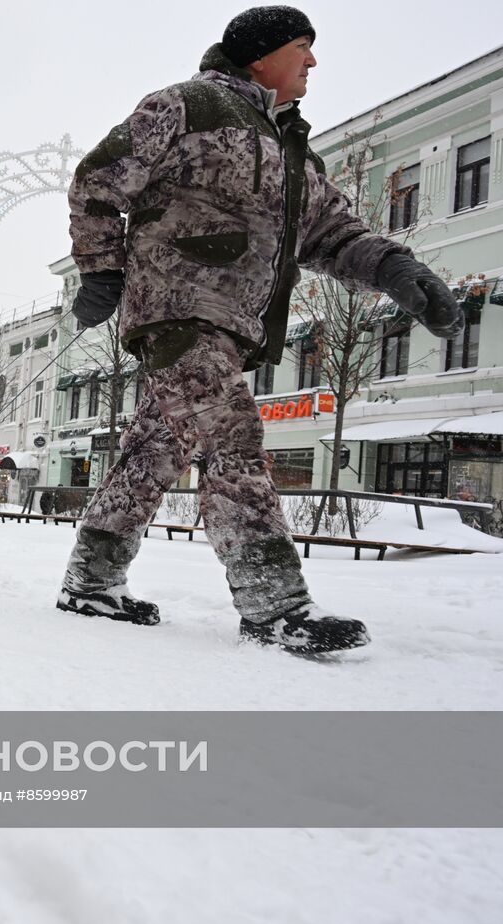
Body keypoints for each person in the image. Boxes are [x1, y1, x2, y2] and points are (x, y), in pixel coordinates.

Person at [56, 6, 463, 654]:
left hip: (232, 323)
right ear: (262, 54)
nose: (312, 61)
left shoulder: (292, 151)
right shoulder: (186, 106)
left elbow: (332, 233)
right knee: (231, 435)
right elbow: (100, 179)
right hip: (176, 307)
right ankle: (273, 602)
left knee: (152, 453)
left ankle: (90, 578)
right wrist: (100, 269)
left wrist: (396, 267)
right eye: (302, 47)